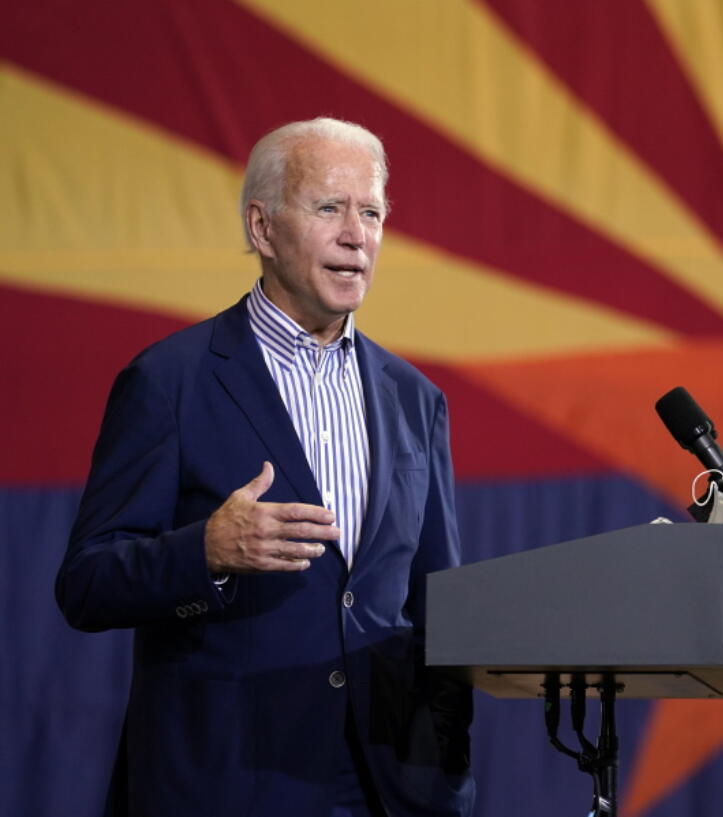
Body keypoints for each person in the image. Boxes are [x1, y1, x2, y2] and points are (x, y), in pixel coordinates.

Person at [56, 118, 474, 817]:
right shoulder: (171, 382)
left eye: (371, 212)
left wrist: (443, 777)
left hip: (381, 787)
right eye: (328, 208)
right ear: (262, 228)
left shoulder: (414, 400)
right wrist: (206, 552)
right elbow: (87, 582)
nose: (357, 234)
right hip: (228, 782)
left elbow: (440, 612)